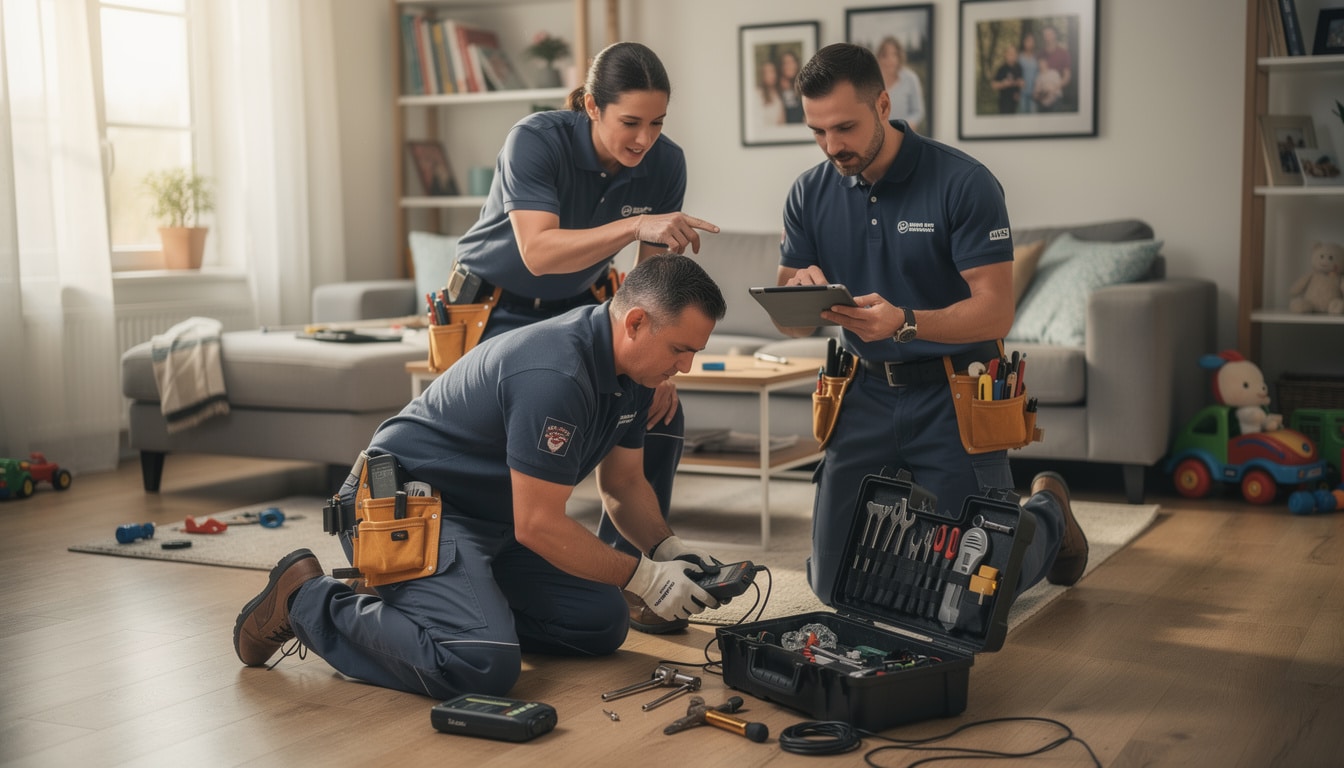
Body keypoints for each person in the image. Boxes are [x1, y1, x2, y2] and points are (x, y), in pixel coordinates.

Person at [233, 254, 736, 699]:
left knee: (601, 624)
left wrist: (668, 549)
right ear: (636, 322)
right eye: (679, 350)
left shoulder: (637, 374)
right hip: (403, 509)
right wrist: (644, 577)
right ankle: (304, 600)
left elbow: (623, 484)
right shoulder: (556, 375)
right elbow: (537, 524)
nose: (685, 368)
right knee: (481, 663)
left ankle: (435, 609)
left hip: (494, 522)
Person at [772, 43, 1088, 607]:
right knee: (833, 586)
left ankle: (1048, 515)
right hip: (864, 391)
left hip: (957, 390)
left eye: (844, 127)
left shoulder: (964, 183)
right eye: (817, 131)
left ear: (885, 104)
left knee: (972, 596)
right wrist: (800, 298)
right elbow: (792, 319)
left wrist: (905, 324)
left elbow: (996, 309)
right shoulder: (808, 191)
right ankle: (925, 552)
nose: (832, 146)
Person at [451, 41, 720, 632]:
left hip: (580, 304)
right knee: (519, 434)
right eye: (630, 122)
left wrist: (655, 369)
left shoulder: (665, 162)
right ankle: (490, 573)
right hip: (497, 304)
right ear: (592, 107)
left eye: (656, 123)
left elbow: (656, 283)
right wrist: (633, 223)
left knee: (658, 414)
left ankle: (637, 576)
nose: (644, 139)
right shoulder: (535, 139)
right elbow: (538, 252)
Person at [875, 36, 925, 133]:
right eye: (885, 55)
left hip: (905, 135)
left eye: (894, 55)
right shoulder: (872, 81)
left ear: (899, 57)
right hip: (880, 136)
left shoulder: (911, 79)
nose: (890, 60)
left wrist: (907, 127)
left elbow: (918, 111)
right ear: (879, 58)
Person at [1038, 25, 1073, 110]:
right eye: (1045, 34)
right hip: (1042, 97)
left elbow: (1067, 76)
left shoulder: (1064, 53)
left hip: (1056, 97)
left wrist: (1054, 88)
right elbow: (1039, 76)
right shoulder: (1040, 54)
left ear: (1055, 35)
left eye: (1050, 34)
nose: (1047, 37)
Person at [989, 45, 1024, 114]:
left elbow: (1022, 83)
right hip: (1005, 103)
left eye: (1014, 53)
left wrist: (1020, 84)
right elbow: (993, 85)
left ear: (1016, 55)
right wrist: (1003, 84)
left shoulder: (1019, 67)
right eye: (1009, 53)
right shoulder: (1002, 69)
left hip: (1017, 105)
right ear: (1005, 55)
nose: (1012, 55)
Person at [776, 49, 805, 124]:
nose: (789, 66)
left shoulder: (802, 86)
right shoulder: (775, 88)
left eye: (792, 62)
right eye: (786, 63)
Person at [1017, 31, 1039, 114]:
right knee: (1022, 116)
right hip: (1022, 93)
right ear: (1024, 43)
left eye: (1032, 41)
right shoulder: (1019, 58)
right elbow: (1016, 74)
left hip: (1034, 93)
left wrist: (1037, 89)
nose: (1030, 43)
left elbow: (1038, 75)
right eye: (1028, 41)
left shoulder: (1036, 58)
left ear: (1034, 43)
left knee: (1033, 117)